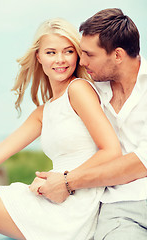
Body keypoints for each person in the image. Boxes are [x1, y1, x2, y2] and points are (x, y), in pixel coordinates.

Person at [0, 18, 122, 240]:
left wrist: (65, 181)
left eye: (68, 51)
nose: (60, 60)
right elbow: (0, 151)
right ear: (38, 57)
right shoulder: (43, 112)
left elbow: (111, 151)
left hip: (74, 203)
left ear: (77, 55)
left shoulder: (78, 89)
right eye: (51, 52)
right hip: (52, 196)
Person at [35, 8, 147, 239]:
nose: (81, 61)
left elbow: (141, 163)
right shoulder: (90, 92)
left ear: (117, 55)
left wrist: (66, 182)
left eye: (89, 54)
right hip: (121, 209)